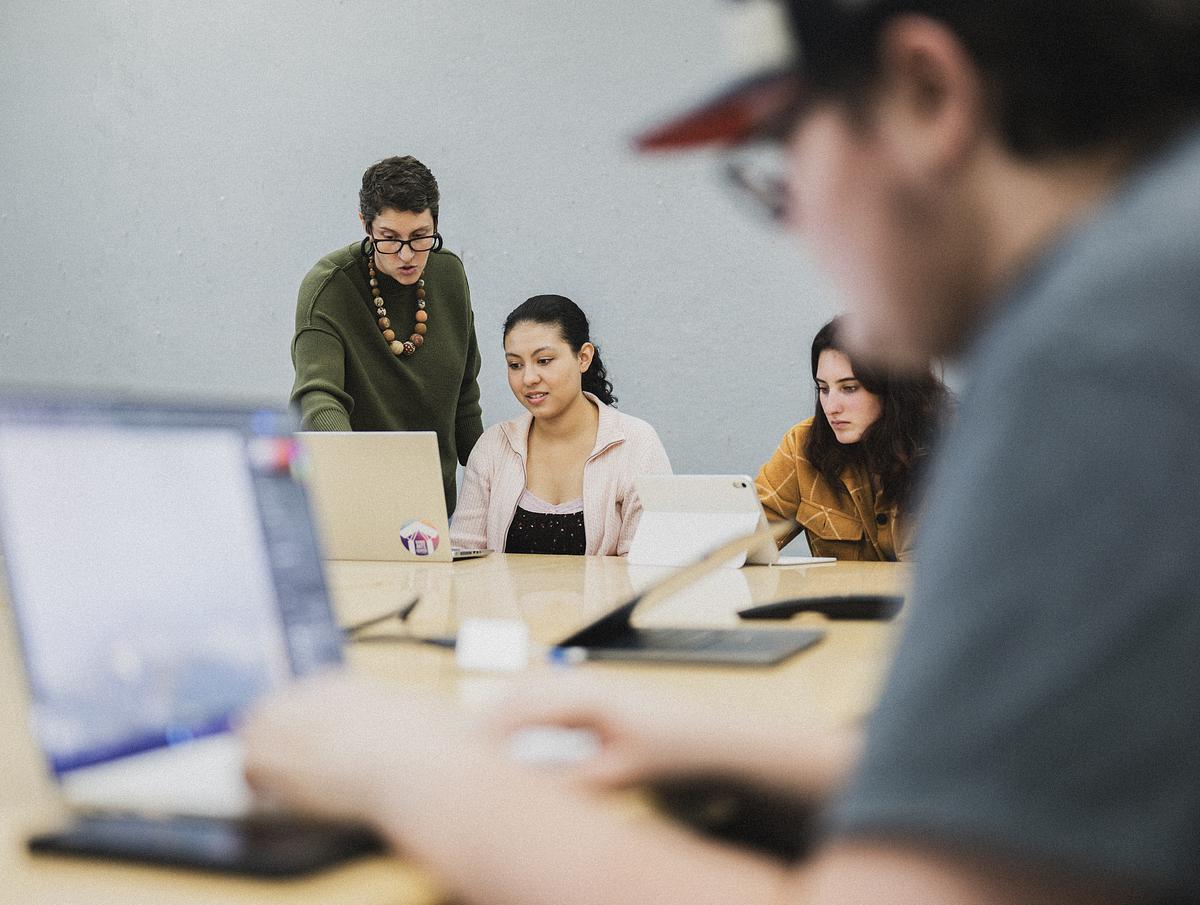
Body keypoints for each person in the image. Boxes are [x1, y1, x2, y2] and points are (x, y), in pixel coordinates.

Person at [244, 2, 1200, 903]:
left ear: (926, 97)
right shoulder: (1155, 272)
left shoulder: (1108, 348)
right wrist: (717, 741)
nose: (801, 225)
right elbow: (1063, 790)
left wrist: (411, 771)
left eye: (780, 161)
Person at [290, 155, 483, 515]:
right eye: (389, 239)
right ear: (365, 225)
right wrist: (361, 475)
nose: (407, 254)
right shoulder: (329, 288)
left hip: (434, 513)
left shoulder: (449, 275)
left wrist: (499, 484)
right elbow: (317, 399)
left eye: (421, 237)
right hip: (358, 506)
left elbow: (465, 399)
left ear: (436, 223)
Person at [450, 294, 671, 556]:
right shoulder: (494, 446)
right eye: (515, 365)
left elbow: (649, 566)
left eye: (544, 361)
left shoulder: (636, 443)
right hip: (501, 599)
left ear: (583, 357)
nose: (529, 378)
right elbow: (462, 558)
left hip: (610, 598)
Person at [756, 316, 947, 560]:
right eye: (823, 389)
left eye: (849, 388)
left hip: (923, 599)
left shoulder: (956, 448)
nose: (831, 407)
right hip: (840, 599)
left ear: (894, 388)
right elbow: (744, 542)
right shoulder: (802, 446)